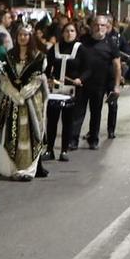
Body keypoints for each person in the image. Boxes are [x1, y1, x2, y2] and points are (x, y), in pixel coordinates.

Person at [0, 21, 51, 180]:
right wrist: (13, 93)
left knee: (30, 133)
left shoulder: (39, 57)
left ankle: (27, 168)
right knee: (11, 133)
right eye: (20, 34)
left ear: (30, 36)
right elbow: (3, 79)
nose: (23, 37)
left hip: (30, 102)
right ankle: (12, 168)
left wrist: (24, 93)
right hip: (12, 101)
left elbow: (38, 79)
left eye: (26, 34)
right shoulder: (8, 55)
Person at [74, 14, 123, 146]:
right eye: (96, 25)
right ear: (91, 26)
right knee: (78, 113)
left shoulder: (111, 43)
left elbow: (117, 66)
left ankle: (93, 140)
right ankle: (73, 141)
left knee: (96, 113)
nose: (99, 28)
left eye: (102, 25)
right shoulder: (83, 40)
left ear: (107, 27)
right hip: (83, 83)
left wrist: (116, 86)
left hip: (100, 84)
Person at [43, 19, 85, 162]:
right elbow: (47, 69)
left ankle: (64, 150)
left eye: (72, 31)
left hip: (71, 91)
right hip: (55, 91)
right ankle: (49, 150)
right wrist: (47, 78)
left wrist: (81, 79)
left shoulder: (80, 49)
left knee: (68, 121)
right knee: (52, 121)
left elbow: (88, 68)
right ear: (62, 33)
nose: (69, 33)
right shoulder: (54, 49)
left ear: (76, 33)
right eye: (66, 31)